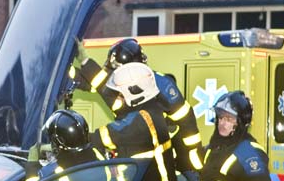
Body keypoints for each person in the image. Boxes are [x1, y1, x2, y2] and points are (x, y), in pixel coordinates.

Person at [73, 38, 204, 173]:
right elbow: (101, 84)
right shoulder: (129, 86)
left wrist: (193, 159)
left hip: (166, 156)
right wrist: (81, 64)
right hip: (140, 155)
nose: (115, 78)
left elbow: (187, 122)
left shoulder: (162, 85)